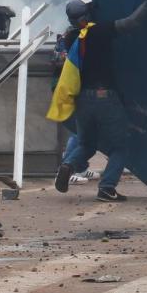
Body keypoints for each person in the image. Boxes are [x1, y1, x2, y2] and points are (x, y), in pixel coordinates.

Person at [52, 0, 147, 202]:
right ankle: (106, 188)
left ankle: (68, 165)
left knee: (86, 144)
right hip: (106, 98)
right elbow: (133, 23)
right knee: (120, 146)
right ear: (88, 14)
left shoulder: (70, 38)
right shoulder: (101, 31)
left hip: (82, 102)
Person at [54, 17, 99, 186]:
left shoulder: (79, 35)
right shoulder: (70, 37)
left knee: (83, 131)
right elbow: (60, 61)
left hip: (79, 88)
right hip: (72, 88)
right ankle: (65, 169)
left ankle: (79, 166)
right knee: (79, 132)